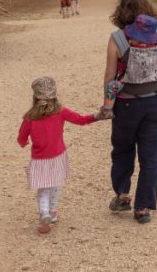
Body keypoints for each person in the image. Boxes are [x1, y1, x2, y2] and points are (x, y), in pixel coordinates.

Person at [100, 0, 157, 224]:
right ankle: (143, 208)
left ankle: (123, 195)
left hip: (127, 103)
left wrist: (107, 106)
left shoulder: (117, 39)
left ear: (121, 12)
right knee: (151, 155)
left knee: (122, 149)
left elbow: (110, 77)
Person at [17, 76, 106, 234]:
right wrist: (96, 116)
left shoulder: (29, 117)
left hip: (40, 159)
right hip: (58, 156)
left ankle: (44, 214)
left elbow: (21, 137)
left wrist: (23, 143)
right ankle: (53, 213)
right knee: (55, 185)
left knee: (43, 189)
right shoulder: (61, 112)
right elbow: (80, 120)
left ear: (35, 97)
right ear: (55, 95)